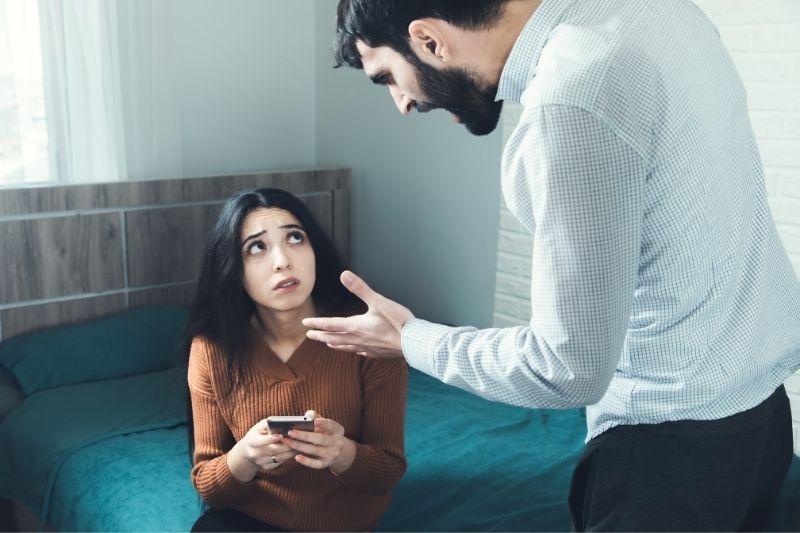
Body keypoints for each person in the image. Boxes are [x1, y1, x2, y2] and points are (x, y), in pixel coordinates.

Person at [303, 0, 800, 530]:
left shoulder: (576, 93)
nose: (401, 103)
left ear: (428, 40)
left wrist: (409, 338)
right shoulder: (663, 12)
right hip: (764, 418)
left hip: (670, 455)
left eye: (388, 78)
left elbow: (567, 369)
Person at [183, 188, 407, 532]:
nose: (283, 260)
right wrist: (245, 456)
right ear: (233, 269)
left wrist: (341, 452)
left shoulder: (369, 336)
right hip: (251, 519)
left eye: (295, 238)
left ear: (315, 249)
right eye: (257, 246)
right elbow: (210, 487)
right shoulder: (212, 349)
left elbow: (387, 471)